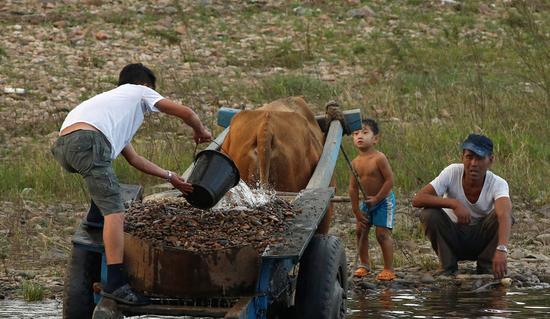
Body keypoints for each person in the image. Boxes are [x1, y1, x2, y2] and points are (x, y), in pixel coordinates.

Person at [51, 63, 212, 305]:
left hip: (65, 146)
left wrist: (171, 177)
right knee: (115, 213)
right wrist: (200, 130)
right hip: (88, 141)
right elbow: (186, 112)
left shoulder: (108, 109)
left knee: (102, 178)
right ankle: (115, 283)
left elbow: (135, 159)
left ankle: (95, 217)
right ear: (145, 85)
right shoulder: (139, 91)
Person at [412, 133, 513, 279]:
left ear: (490, 160)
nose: (473, 163)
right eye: (469, 157)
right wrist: (454, 203)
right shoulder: (452, 172)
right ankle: (448, 267)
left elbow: (504, 215)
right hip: (453, 238)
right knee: (429, 214)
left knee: (504, 216)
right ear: (462, 158)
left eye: (479, 158)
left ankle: (487, 266)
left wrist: (502, 249)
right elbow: (418, 199)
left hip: (480, 241)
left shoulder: (498, 183)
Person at [349, 119, 396, 281]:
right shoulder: (355, 162)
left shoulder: (379, 158)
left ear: (375, 139)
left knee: (382, 234)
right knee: (360, 231)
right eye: (356, 133)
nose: (359, 136)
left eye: (364, 132)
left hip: (383, 201)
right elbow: (353, 188)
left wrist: (377, 197)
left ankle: (388, 268)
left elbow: (390, 180)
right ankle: (364, 264)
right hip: (367, 203)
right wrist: (356, 210)